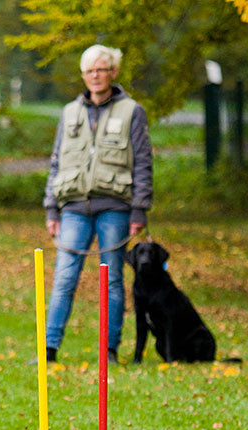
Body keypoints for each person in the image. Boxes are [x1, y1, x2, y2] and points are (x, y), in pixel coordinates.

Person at [42, 44, 153, 365]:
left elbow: (143, 162)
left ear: (113, 72)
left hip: (116, 208)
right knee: (64, 277)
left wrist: (139, 208)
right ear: (83, 75)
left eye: (101, 69)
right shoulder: (69, 112)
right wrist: (51, 208)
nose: (95, 76)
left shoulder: (132, 110)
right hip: (73, 207)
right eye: (89, 70)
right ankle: (49, 349)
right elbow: (56, 162)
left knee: (112, 279)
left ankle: (110, 349)